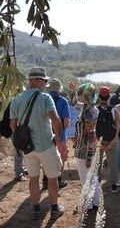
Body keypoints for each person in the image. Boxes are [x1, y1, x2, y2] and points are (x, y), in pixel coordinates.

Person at [10, 68, 64, 219]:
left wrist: (21, 140)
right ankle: (54, 209)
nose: (46, 84)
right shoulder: (45, 98)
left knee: (33, 178)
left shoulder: (17, 99)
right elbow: (55, 119)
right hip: (46, 145)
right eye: (44, 81)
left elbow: (13, 124)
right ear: (36, 80)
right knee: (52, 178)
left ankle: (36, 209)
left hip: (27, 147)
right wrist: (58, 138)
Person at [74, 83, 101, 210]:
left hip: (84, 151)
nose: (78, 96)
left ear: (84, 96)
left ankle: (87, 204)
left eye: (80, 94)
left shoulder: (87, 113)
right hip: (91, 149)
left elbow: (91, 135)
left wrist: (89, 156)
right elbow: (74, 103)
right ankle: (96, 201)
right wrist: (73, 90)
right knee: (92, 176)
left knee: (85, 179)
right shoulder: (91, 108)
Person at [41, 78, 71, 189]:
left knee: (45, 157)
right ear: (59, 89)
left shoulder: (43, 99)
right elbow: (66, 121)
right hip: (60, 135)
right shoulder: (63, 101)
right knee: (61, 156)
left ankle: (45, 180)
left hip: (45, 135)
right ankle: (58, 179)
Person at [96, 86, 119, 193]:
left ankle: (97, 184)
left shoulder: (94, 110)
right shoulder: (114, 110)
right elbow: (118, 128)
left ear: (99, 96)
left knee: (97, 163)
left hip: (98, 141)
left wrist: (98, 142)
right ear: (109, 97)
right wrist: (111, 142)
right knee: (112, 163)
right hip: (111, 141)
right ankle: (114, 184)